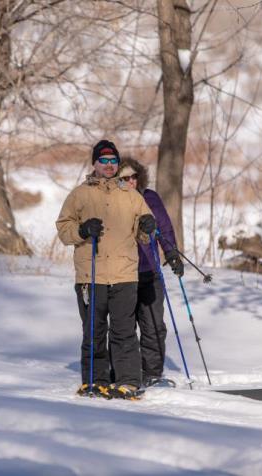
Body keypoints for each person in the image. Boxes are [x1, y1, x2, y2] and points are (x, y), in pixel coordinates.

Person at [56, 140, 155, 399]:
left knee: (123, 331)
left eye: (113, 161)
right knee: (94, 330)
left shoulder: (131, 196)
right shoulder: (79, 195)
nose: (109, 166)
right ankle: (95, 379)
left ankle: (128, 381)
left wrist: (146, 227)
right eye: (104, 161)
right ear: (95, 164)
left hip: (124, 274)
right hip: (91, 275)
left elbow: (144, 235)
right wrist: (82, 230)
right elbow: (63, 229)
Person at [117, 157, 183, 387]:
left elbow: (164, 226)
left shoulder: (150, 197)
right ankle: (128, 373)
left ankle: (153, 373)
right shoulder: (114, 201)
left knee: (154, 325)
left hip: (149, 271)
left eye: (134, 176)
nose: (131, 182)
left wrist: (172, 253)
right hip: (123, 274)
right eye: (124, 178)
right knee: (124, 327)